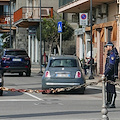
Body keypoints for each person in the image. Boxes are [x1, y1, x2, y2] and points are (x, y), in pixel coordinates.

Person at [102, 42, 119, 108]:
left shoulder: (112, 54)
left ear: (110, 47)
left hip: (112, 74)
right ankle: (108, 102)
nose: (106, 48)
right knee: (108, 88)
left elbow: (111, 66)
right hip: (109, 74)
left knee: (111, 88)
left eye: (107, 47)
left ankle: (112, 103)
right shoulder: (110, 54)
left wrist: (105, 73)